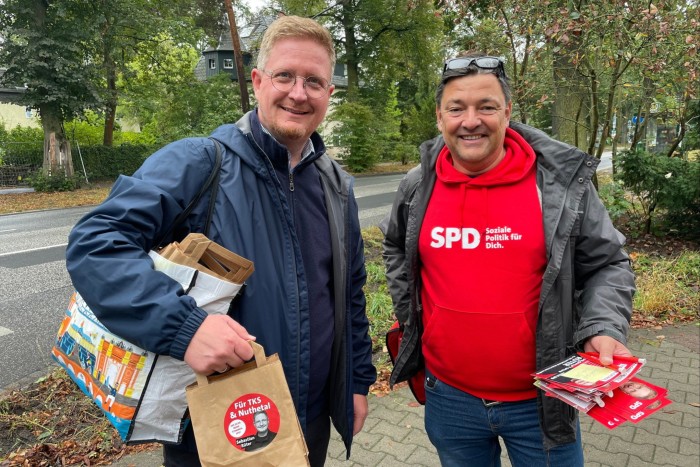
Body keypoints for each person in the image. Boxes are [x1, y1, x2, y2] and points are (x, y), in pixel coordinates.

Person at [66, 15, 376, 467]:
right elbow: (96, 243)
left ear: (330, 94)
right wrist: (184, 328)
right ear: (257, 81)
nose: (298, 92)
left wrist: (356, 383)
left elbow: (348, 295)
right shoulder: (200, 163)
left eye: (314, 80)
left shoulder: (336, 185)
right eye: (284, 75)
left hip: (308, 422)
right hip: (217, 426)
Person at [381, 52, 636, 466]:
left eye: (486, 107)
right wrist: (412, 315)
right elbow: (395, 248)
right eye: (456, 108)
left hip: (541, 402)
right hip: (449, 399)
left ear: (508, 111)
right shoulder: (417, 184)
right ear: (439, 115)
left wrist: (603, 327)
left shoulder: (558, 185)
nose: (471, 121)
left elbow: (609, 262)